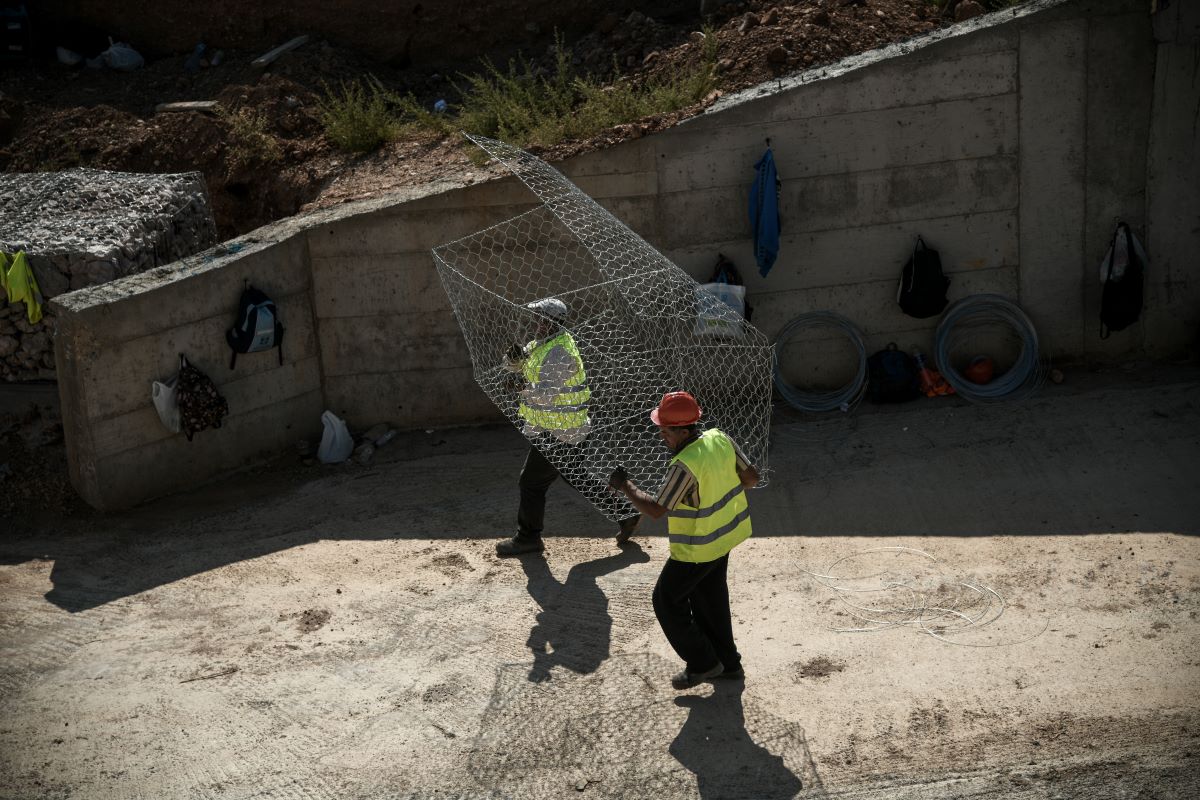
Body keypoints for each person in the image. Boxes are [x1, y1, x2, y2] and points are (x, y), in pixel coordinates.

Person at [608, 391, 758, 689]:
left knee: (666, 601)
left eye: (665, 430)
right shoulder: (720, 439)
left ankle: (703, 662)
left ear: (684, 430)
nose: (662, 436)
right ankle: (729, 665)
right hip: (724, 538)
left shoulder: (684, 465)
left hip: (697, 549)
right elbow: (751, 478)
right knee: (710, 602)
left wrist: (625, 485)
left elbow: (655, 509)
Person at [495, 297, 641, 557]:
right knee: (576, 476)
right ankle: (625, 513)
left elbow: (546, 394)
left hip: (561, 432)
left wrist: (519, 387)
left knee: (531, 483)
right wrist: (513, 358)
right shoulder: (540, 345)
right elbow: (513, 366)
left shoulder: (560, 352)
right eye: (536, 318)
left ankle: (527, 538)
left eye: (542, 319)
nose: (537, 323)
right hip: (562, 427)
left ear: (554, 322)